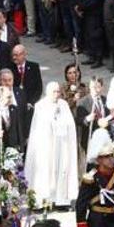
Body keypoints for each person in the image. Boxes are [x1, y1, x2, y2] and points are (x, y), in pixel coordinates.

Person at [24, 81, 78, 209]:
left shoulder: (63, 104)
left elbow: (70, 123)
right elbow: (39, 126)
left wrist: (61, 124)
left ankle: (60, 200)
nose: (56, 94)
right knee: (44, 172)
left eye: (58, 91)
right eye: (54, 91)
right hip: (46, 144)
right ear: (48, 92)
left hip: (61, 144)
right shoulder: (41, 105)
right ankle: (41, 201)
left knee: (61, 170)